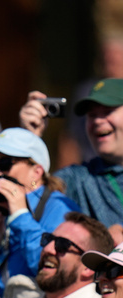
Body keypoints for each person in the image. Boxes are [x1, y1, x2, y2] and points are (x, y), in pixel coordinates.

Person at [0, 128, 80, 290]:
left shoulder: (61, 208)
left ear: (36, 172)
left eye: (5, 164)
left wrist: (21, 216)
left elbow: (53, 271)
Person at [21, 79, 123, 227]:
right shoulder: (79, 179)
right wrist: (29, 139)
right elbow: (30, 197)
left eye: (108, 112)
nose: (98, 121)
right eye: (92, 115)